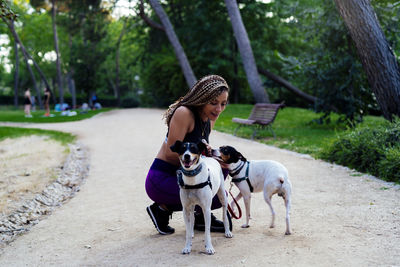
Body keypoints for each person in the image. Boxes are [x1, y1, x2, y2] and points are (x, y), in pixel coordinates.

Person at [145, 74, 231, 235]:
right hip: (163, 178)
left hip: (185, 175)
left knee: (221, 171)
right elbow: (171, 155)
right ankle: (161, 209)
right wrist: (204, 159)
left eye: (223, 104)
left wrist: (213, 157)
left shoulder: (209, 118)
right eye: (213, 103)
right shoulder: (184, 113)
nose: (219, 109)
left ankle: (200, 217)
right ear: (202, 98)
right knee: (213, 196)